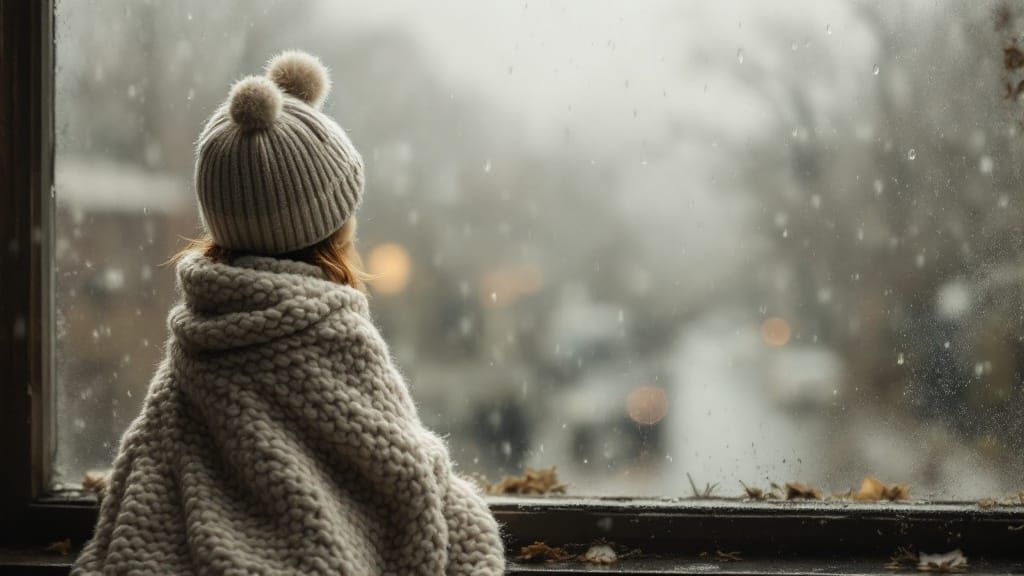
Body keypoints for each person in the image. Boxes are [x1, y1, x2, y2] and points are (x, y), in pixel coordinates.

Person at [72, 50, 505, 575]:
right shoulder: (337, 334)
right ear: (335, 229)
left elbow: (155, 456)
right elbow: (401, 464)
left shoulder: (196, 336)